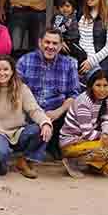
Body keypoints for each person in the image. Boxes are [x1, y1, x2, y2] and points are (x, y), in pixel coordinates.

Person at [0, 56, 53, 178]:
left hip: (17, 133)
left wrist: (45, 122)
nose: (2, 73)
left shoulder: (21, 88)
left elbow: (34, 109)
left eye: (6, 69)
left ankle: (25, 161)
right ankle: (0, 160)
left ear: (12, 71)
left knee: (42, 129)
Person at [15, 29, 80, 160]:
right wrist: (36, 114)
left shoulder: (69, 64)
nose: (50, 47)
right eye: (47, 42)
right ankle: (31, 156)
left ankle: (55, 146)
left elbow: (74, 95)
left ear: (61, 46)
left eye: (55, 43)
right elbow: (15, 92)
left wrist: (58, 112)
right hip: (30, 113)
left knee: (75, 111)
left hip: (57, 115)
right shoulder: (24, 61)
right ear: (40, 43)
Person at [59, 69, 108, 177]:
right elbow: (88, 134)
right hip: (71, 142)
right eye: (98, 85)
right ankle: (72, 161)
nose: (102, 89)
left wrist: (106, 134)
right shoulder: (84, 101)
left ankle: (92, 165)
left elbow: (107, 120)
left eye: (105, 85)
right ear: (91, 86)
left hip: (86, 140)